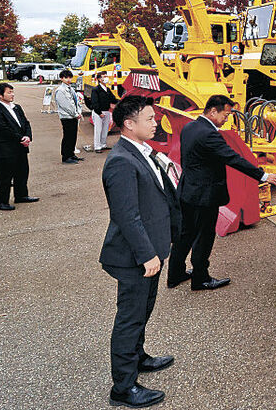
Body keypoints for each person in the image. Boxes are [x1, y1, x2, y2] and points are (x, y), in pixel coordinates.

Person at [100, 95, 181, 408]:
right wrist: (147, 255)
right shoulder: (121, 160)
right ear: (129, 124)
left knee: (143, 310)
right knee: (129, 319)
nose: (155, 122)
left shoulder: (142, 151)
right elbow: (127, 215)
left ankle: (138, 356)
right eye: (149, 118)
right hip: (136, 256)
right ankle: (123, 387)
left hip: (151, 250)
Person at [167, 94, 276, 291]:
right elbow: (233, 158)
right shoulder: (209, 134)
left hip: (188, 191)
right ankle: (200, 278)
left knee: (185, 234)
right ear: (213, 111)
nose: (227, 119)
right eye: (226, 114)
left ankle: (175, 274)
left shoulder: (190, 128)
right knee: (204, 237)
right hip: (204, 196)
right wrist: (264, 176)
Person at [0, 83, 38, 210]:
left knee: (22, 172)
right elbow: (2, 129)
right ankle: (2, 201)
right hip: (6, 148)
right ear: (0, 95)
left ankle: (21, 195)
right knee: (5, 176)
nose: (12, 94)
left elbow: (26, 123)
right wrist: (20, 138)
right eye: (9, 92)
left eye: (12, 92)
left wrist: (28, 136)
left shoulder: (17, 107)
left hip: (21, 147)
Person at [54, 70, 84, 164]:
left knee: (73, 136)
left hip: (73, 116)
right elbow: (66, 105)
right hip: (67, 117)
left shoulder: (70, 88)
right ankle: (66, 156)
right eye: (66, 78)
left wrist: (77, 112)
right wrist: (75, 114)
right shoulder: (60, 91)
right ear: (61, 78)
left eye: (70, 77)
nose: (68, 79)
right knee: (68, 136)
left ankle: (71, 154)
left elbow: (75, 102)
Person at [91, 72, 118, 153]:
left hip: (107, 111)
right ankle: (97, 146)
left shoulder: (107, 89)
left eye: (106, 76)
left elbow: (113, 99)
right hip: (98, 112)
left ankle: (103, 144)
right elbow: (94, 102)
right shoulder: (96, 90)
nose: (106, 78)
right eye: (104, 76)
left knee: (105, 129)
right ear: (99, 79)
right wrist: (99, 113)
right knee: (98, 129)